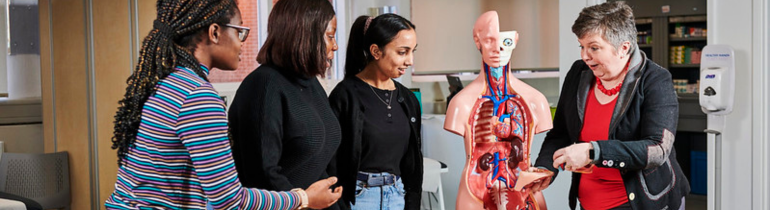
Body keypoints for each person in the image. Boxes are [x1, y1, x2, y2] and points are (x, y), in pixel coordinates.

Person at [104, 0, 341, 209]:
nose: (242, 43)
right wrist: (303, 198)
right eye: (239, 32)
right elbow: (229, 200)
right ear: (215, 32)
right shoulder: (198, 97)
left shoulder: (166, 83)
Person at [531, 2, 690, 210]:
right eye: (582, 46)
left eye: (594, 48)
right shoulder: (579, 74)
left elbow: (657, 149)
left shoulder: (655, 79)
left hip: (639, 203)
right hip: (589, 202)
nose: (585, 56)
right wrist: (544, 168)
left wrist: (594, 151)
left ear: (623, 48)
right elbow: (560, 133)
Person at [228, 0, 342, 207]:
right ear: (305, 35)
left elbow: (317, 164)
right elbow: (262, 175)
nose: (335, 46)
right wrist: (306, 202)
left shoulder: (310, 82)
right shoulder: (263, 85)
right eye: (330, 36)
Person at [443, 11, 553, 210]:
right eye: (489, 41)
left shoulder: (536, 101)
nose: (498, 49)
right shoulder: (461, 103)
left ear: (515, 41)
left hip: (525, 192)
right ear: (478, 41)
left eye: (506, 42)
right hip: (474, 191)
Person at [328, 14, 422, 210]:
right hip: (358, 198)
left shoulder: (409, 100)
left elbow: (413, 162)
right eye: (402, 52)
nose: (410, 60)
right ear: (376, 51)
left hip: (397, 196)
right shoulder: (344, 96)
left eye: (413, 51)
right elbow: (331, 161)